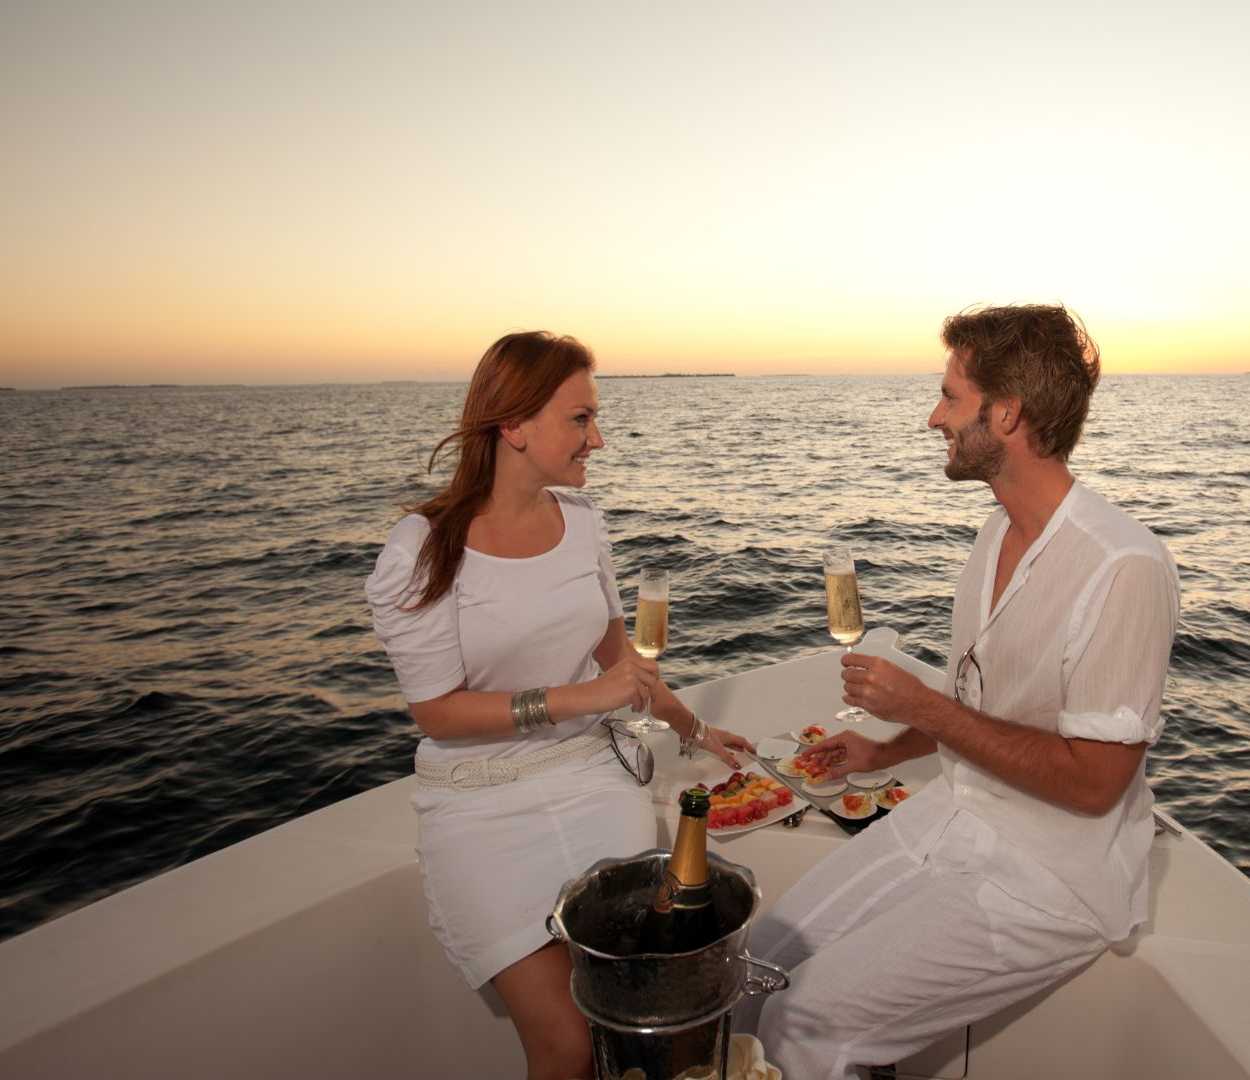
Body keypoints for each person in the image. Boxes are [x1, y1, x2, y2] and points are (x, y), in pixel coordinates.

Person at [743, 305, 1180, 1079]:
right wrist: (890, 746)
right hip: (957, 815)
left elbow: (1094, 783)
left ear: (1005, 413)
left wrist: (920, 708)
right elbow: (983, 703)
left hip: (1050, 876)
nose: (932, 417)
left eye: (950, 396)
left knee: (804, 1026)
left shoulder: (1123, 566)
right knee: (749, 976)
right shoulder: (994, 536)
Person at [364, 331, 751, 1080]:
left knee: (659, 1021)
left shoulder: (583, 525)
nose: (598, 439)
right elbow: (438, 713)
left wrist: (696, 729)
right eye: (580, 418)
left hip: (589, 784)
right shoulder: (421, 547)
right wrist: (579, 697)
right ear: (512, 425)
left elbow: (619, 661)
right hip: (479, 810)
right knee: (567, 1048)